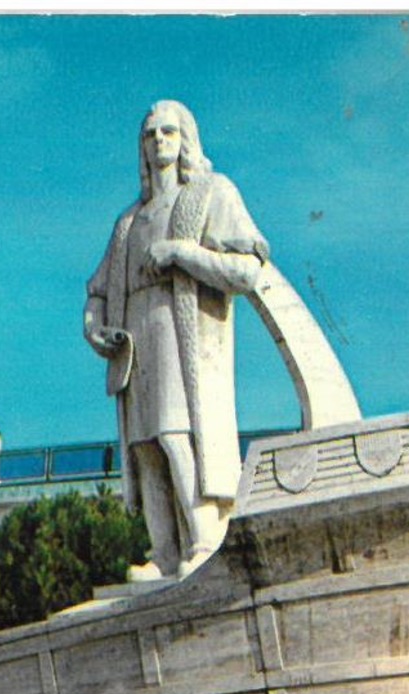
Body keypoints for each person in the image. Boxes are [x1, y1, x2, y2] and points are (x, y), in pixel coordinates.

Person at [84, 100, 269, 579]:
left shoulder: (212, 192)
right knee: (144, 444)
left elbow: (248, 270)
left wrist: (182, 253)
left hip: (180, 326)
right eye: (150, 134)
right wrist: (96, 328)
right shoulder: (129, 222)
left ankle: (205, 538)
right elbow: (98, 291)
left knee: (176, 433)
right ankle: (164, 551)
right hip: (135, 333)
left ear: (187, 138)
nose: (159, 141)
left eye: (169, 132)